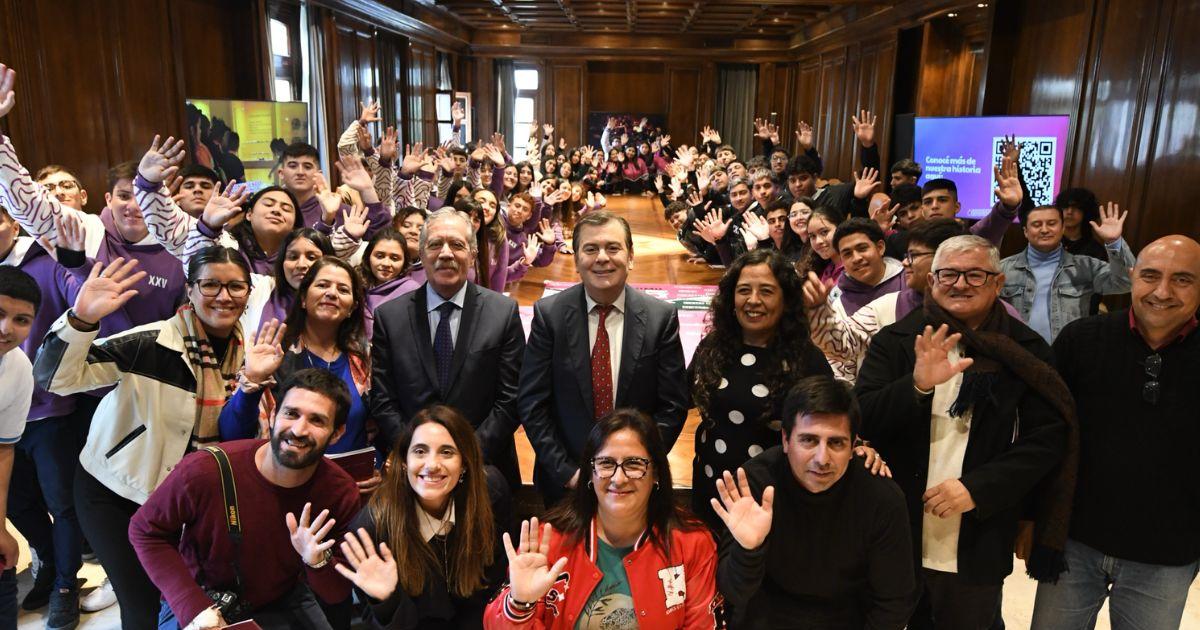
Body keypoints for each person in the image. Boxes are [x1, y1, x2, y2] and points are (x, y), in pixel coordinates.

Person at [853, 235, 1075, 629]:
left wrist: (978, 488)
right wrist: (917, 386)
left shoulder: (1026, 350)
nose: (959, 284)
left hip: (979, 527)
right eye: (949, 274)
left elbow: (1046, 439)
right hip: (899, 522)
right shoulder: (898, 340)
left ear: (998, 283)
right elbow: (864, 418)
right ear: (932, 280)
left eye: (974, 274)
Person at [33, 248, 251, 630]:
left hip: (184, 502)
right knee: (142, 604)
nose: (224, 296)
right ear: (190, 289)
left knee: (187, 601)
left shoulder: (250, 354)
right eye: (211, 284)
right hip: (115, 493)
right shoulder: (151, 342)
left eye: (236, 286)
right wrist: (81, 320)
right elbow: (55, 379)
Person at [1030, 235, 1200, 630]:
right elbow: (1046, 435)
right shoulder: (1081, 340)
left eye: (1183, 280)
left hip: (1167, 553)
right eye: (1151, 275)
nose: (1162, 291)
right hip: (1074, 541)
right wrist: (1031, 519)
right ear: (1131, 276)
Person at [129, 368, 360, 629]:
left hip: (283, 597)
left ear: (337, 433)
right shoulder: (205, 470)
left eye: (317, 421)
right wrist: (193, 607)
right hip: (202, 596)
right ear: (273, 415)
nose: (298, 430)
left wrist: (318, 562)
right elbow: (145, 530)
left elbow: (336, 593)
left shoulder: (339, 491)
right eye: (291, 414)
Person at [484, 409, 723, 628]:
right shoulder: (551, 540)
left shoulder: (692, 543)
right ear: (590, 473)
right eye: (606, 463)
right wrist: (519, 605)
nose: (619, 478)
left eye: (634, 464)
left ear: (657, 474)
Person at [714, 376, 916, 629]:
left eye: (836, 443)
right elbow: (734, 594)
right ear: (786, 440)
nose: (822, 458)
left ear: (854, 446)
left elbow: (894, 602)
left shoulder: (881, 498)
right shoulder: (755, 481)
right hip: (767, 618)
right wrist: (748, 549)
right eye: (809, 440)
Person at [519, 211, 689, 506]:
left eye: (613, 248)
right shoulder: (550, 316)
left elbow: (673, 406)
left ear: (630, 256)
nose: (602, 258)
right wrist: (566, 471)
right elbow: (533, 403)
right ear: (576, 260)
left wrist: (638, 468)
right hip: (565, 482)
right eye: (590, 249)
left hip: (636, 485)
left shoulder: (660, 318)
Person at [370, 209, 526, 488]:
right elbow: (383, 400)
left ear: (472, 255)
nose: (445, 253)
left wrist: (467, 455)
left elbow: (510, 398)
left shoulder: (502, 312)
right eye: (434, 244)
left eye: (456, 244)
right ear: (420, 253)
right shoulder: (390, 317)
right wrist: (418, 454)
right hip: (414, 472)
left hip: (485, 467)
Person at [688, 248, 833, 526]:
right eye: (744, 290)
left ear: (785, 300)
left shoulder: (805, 358)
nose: (753, 301)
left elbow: (830, 421)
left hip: (771, 501)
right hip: (711, 489)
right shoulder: (713, 346)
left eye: (766, 291)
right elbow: (684, 396)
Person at [336, 405, 509, 629]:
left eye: (447, 452)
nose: (432, 465)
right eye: (420, 451)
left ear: (465, 462)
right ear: (404, 461)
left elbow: (491, 589)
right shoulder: (372, 529)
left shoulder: (491, 494)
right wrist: (387, 601)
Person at [218, 257, 374, 461]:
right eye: (322, 285)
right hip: (281, 479)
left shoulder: (363, 359)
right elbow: (232, 435)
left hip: (344, 484)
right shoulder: (274, 353)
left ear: (352, 308)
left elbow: (371, 433)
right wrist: (252, 381)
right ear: (303, 299)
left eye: (343, 290)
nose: (332, 293)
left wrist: (374, 467)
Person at [805, 218, 966, 382]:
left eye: (913, 256)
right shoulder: (885, 305)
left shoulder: (976, 302)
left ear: (880, 247)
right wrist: (816, 310)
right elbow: (842, 345)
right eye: (847, 254)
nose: (856, 258)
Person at [1000, 202, 1134, 342]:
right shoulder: (1003, 269)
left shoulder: (1086, 266)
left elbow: (1126, 283)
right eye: (1036, 224)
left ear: (1063, 228)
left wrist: (1114, 242)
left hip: (1067, 354)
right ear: (1026, 232)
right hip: (1017, 353)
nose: (1044, 230)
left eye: (1052, 223)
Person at [0, 267, 38, 627]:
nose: (6, 328)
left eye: (21, 319)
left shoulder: (20, 369)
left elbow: (3, 450)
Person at [1054, 187, 1108, 261]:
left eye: (1076, 207)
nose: (1069, 212)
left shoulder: (1095, 251)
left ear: (1086, 211)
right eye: (1065, 207)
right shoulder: (1049, 241)